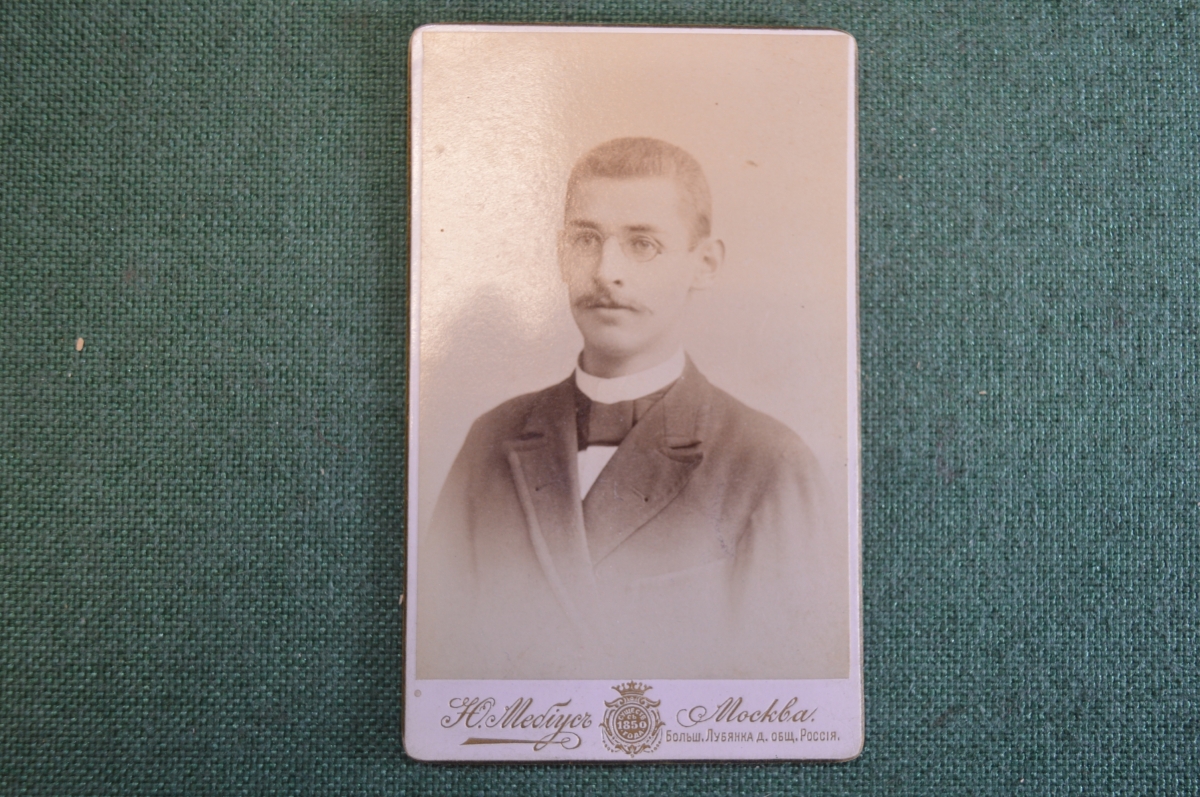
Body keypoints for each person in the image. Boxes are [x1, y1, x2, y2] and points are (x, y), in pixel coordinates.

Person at [417, 137, 847, 680]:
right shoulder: (492, 440)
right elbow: (439, 663)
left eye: (642, 244)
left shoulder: (770, 463)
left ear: (705, 264)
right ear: (560, 254)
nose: (606, 271)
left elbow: (791, 692)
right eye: (586, 240)